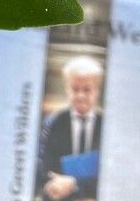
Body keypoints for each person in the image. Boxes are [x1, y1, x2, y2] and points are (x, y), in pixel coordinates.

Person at [39, 56, 103, 201]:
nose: (80, 95)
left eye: (87, 90)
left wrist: (75, 184)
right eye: (75, 89)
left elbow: (112, 175)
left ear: (97, 91)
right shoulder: (52, 123)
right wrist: (51, 185)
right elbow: (42, 169)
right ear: (67, 89)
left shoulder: (108, 127)